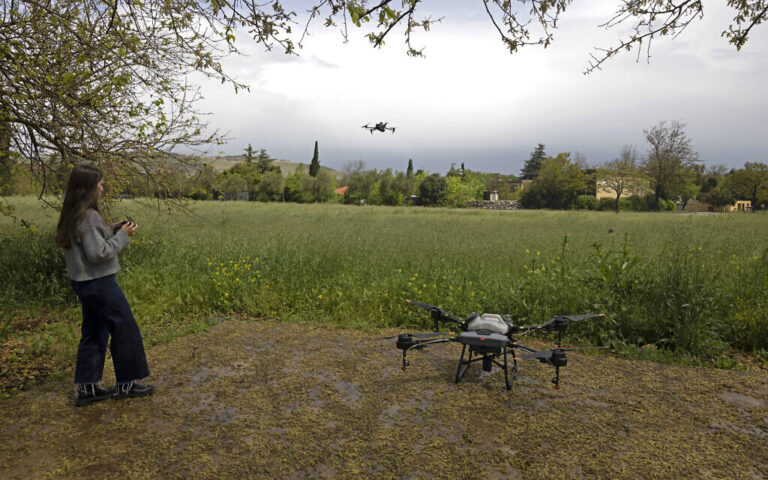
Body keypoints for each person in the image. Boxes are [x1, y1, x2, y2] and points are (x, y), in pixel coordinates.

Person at [55, 165, 154, 406]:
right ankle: (127, 384)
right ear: (88, 188)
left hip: (83, 283)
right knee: (124, 328)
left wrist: (112, 229)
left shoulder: (74, 213)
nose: (102, 187)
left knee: (94, 331)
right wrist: (123, 236)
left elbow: (91, 239)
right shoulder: (88, 216)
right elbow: (98, 253)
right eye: (99, 183)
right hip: (99, 283)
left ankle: (87, 389)